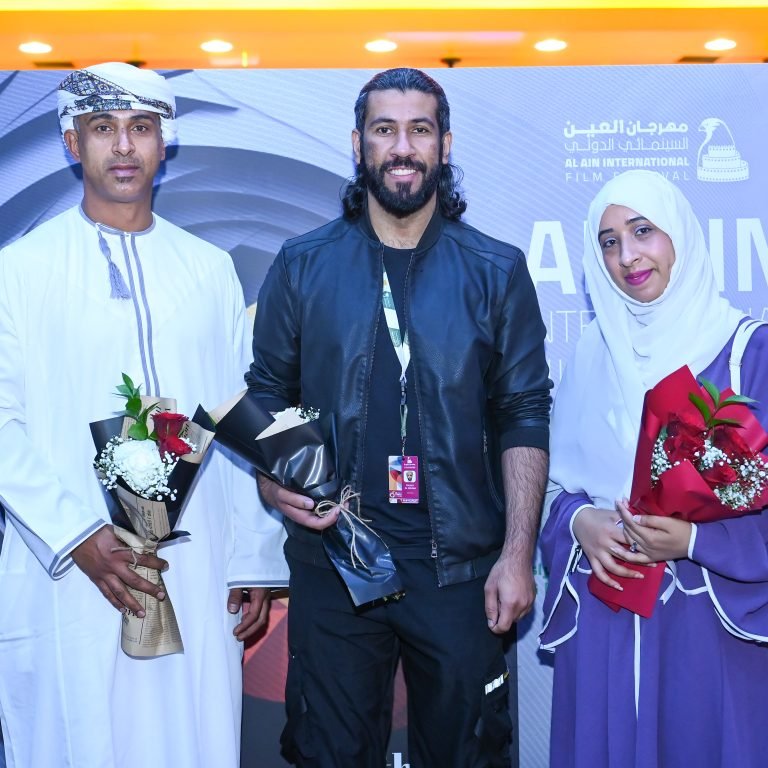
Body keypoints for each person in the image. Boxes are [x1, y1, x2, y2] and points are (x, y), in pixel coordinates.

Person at [247, 67, 551, 767]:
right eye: (385, 130)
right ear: (359, 144)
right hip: (336, 562)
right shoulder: (302, 265)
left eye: (420, 129)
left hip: (460, 574)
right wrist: (270, 481)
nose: (403, 147)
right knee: (328, 754)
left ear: (445, 144)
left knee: (468, 756)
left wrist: (515, 556)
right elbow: (266, 392)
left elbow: (524, 413)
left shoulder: (496, 270)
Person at [0, 62, 288, 768]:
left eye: (141, 127)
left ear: (166, 142)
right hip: (67, 568)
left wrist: (250, 556)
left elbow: (235, 416)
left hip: (198, 562)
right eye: (103, 128)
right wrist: (77, 535)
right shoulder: (19, 270)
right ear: (73, 142)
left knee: (193, 737)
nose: (123, 146)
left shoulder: (208, 269)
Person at [539, 169, 768, 768]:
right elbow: (557, 487)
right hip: (608, 616)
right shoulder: (590, 356)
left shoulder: (748, 354)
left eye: (643, 231)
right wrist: (580, 523)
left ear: (679, 235)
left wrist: (693, 540)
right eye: (609, 242)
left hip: (710, 628)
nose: (627, 256)